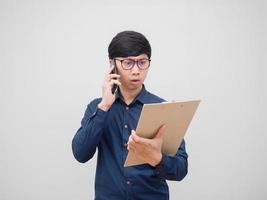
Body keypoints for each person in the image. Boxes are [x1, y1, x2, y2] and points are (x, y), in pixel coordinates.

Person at [72, 30, 188, 200]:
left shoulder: (163, 109)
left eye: (142, 62)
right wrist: (104, 106)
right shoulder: (97, 107)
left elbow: (181, 169)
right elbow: (80, 154)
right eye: (127, 63)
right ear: (112, 64)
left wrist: (157, 158)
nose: (136, 70)